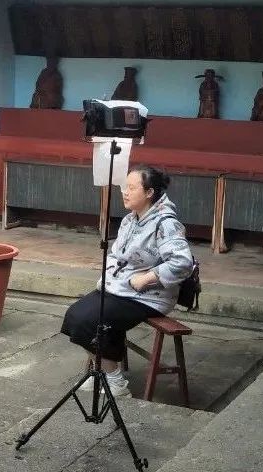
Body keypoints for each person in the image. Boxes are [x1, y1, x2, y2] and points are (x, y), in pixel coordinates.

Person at [61, 165, 194, 398]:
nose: (125, 192)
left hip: (149, 295)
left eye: (132, 188)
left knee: (88, 320)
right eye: (125, 187)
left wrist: (146, 279)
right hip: (122, 288)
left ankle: (114, 381)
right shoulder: (130, 220)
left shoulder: (165, 223)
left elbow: (182, 263)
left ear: (149, 192)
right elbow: (115, 255)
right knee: (74, 316)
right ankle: (102, 371)